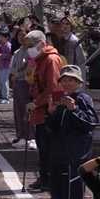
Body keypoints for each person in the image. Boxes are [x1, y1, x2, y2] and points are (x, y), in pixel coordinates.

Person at [44, 66, 98, 199]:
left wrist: (74, 109)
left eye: (71, 80)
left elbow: (90, 123)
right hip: (59, 157)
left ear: (78, 82)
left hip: (74, 160)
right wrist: (51, 112)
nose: (67, 83)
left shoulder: (82, 99)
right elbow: (53, 128)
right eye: (64, 80)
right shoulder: (62, 100)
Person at [25, 29, 63, 190]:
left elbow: (53, 88)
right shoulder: (40, 59)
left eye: (31, 46)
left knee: (48, 147)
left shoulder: (51, 60)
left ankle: (49, 179)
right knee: (43, 146)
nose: (29, 49)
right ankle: (44, 178)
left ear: (41, 44)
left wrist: (37, 103)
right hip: (41, 109)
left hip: (48, 111)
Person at [9, 34, 34, 149]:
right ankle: (20, 135)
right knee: (18, 110)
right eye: (20, 35)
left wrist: (17, 74)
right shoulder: (17, 52)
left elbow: (29, 68)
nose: (22, 38)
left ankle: (30, 136)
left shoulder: (31, 52)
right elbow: (12, 67)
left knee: (27, 110)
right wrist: (13, 75)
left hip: (27, 83)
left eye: (24, 36)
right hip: (17, 83)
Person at [0, 25, 14, 104]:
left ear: (6, 37)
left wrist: (1, 55)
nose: (0, 38)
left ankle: (6, 97)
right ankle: (2, 94)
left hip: (6, 66)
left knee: (4, 81)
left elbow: (9, 55)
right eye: (0, 36)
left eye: (2, 36)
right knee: (1, 81)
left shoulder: (8, 45)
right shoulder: (0, 44)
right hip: (1, 65)